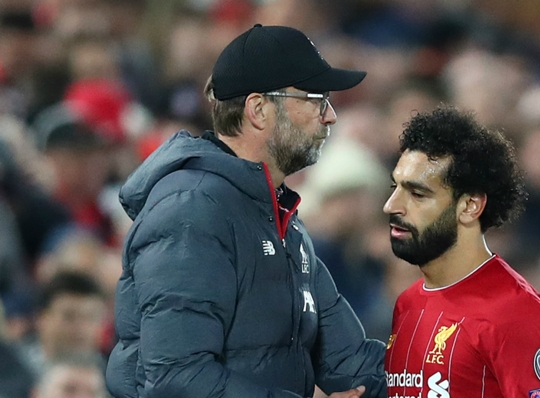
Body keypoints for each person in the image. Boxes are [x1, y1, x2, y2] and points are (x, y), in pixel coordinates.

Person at [105, 24, 385, 398]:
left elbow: (349, 361)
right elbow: (176, 378)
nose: (330, 115)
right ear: (258, 109)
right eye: (317, 98)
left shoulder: (280, 215)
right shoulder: (192, 210)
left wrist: (449, 372)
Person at [383, 106, 540, 398]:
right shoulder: (407, 303)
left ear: (470, 206)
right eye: (395, 187)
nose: (391, 205)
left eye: (418, 194)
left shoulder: (517, 316)